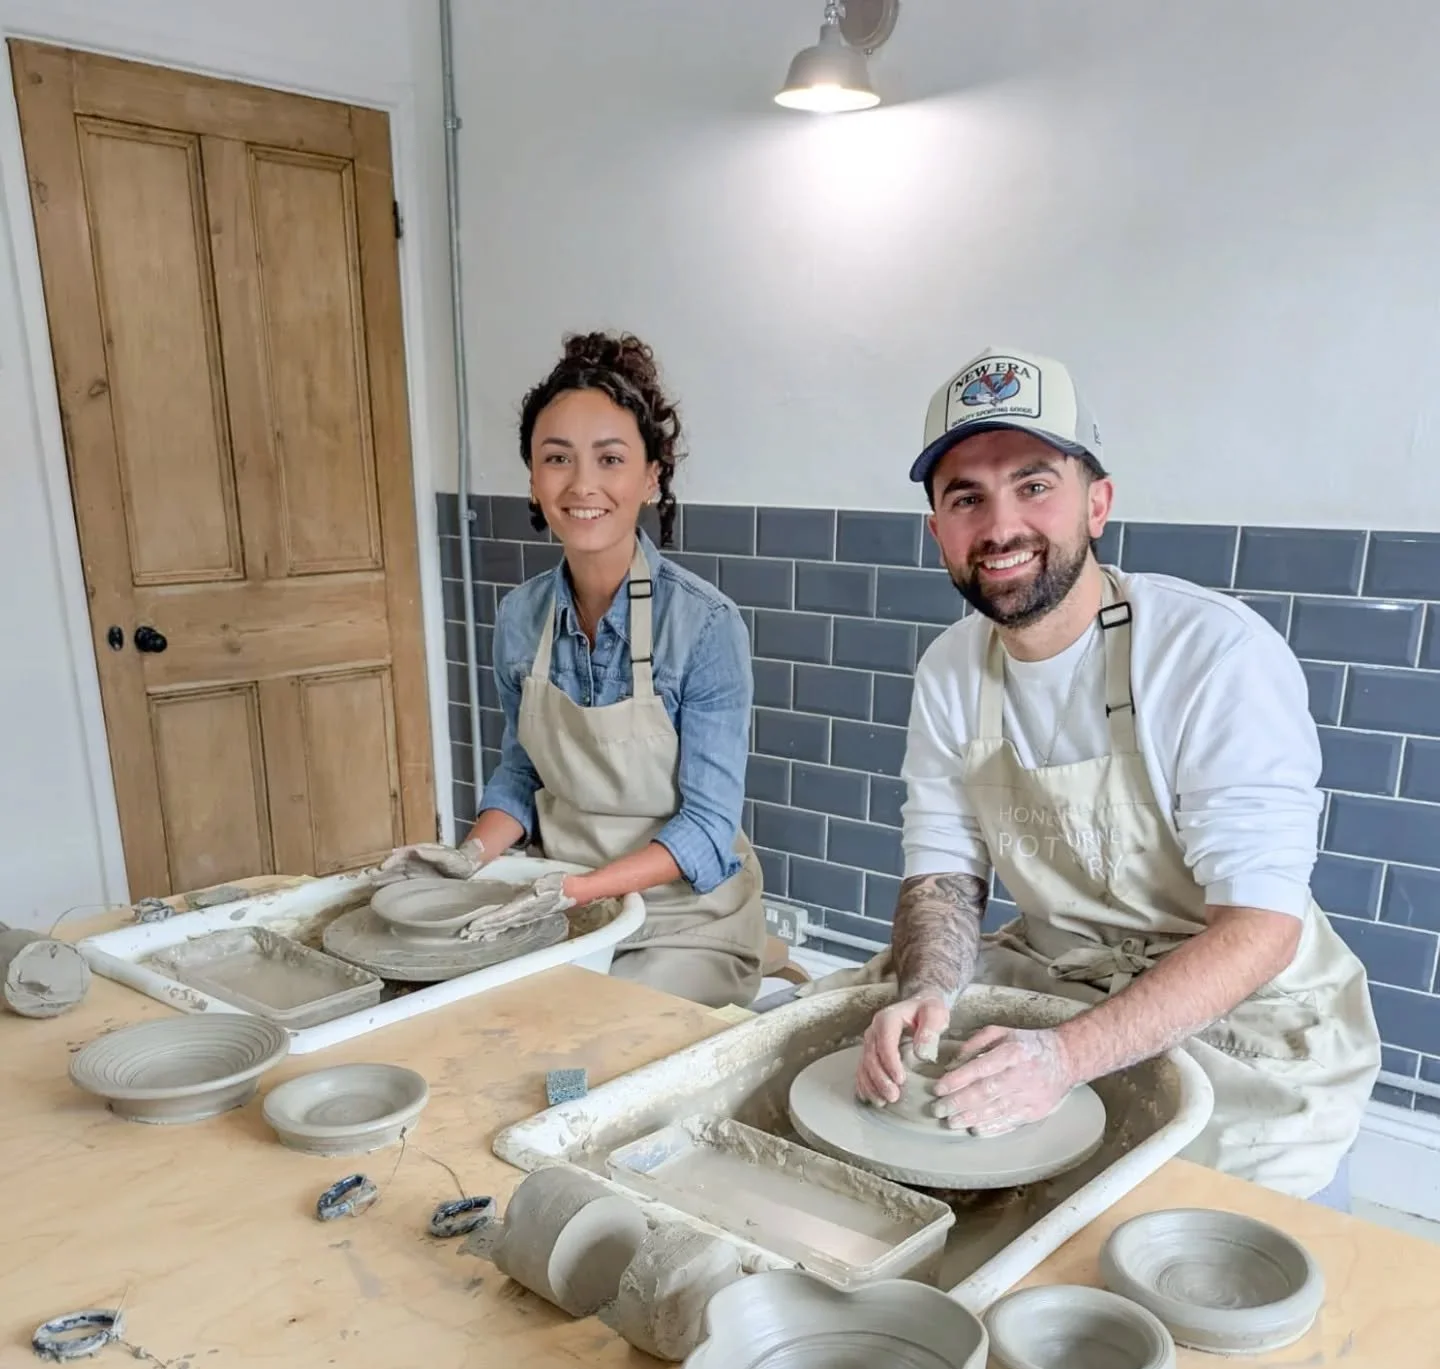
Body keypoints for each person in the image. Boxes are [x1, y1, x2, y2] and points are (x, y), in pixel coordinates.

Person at [853, 345, 1381, 1203]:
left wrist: (1064, 1058)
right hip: (1064, 972)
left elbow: (1260, 929)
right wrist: (926, 994)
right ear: (938, 533)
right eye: (966, 498)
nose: (1000, 526)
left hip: (1246, 1014)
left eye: (1034, 485)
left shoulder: (1212, 654)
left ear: (1096, 503)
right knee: (861, 1040)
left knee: (1183, 1229)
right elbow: (944, 872)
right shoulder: (950, 670)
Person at [386, 332, 766, 1007]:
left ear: (652, 477)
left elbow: (710, 827)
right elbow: (523, 772)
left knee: (590, 1037)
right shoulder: (519, 619)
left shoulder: (706, 626)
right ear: (533, 478)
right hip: (564, 905)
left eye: (610, 459)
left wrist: (579, 890)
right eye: (556, 459)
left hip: (685, 923)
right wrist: (471, 857)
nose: (582, 484)